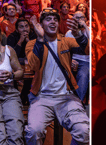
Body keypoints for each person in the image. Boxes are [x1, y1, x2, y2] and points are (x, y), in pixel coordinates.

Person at [24, 8, 89, 144]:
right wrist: (40, 39)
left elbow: (87, 50)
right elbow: (34, 65)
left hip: (67, 97)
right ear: (40, 25)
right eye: (48, 19)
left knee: (84, 131)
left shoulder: (65, 41)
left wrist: (79, 35)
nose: (53, 22)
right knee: (34, 132)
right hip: (42, 98)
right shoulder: (32, 44)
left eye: (55, 19)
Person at [0, 26, 24, 144]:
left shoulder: (8, 50)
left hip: (10, 94)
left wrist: (11, 75)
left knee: (16, 133)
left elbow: (20, 71)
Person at [65, 11, 90, 101]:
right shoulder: (69, 33)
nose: (79, 20)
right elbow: (65, 50)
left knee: (83, 75)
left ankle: (78, 103)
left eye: (81, 17)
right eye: (77, 18)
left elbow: (92, 45)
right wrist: (69, 60)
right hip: (73, 59)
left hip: (86, 61)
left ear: (86, 19)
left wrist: (86, 27)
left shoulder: (89, 30)